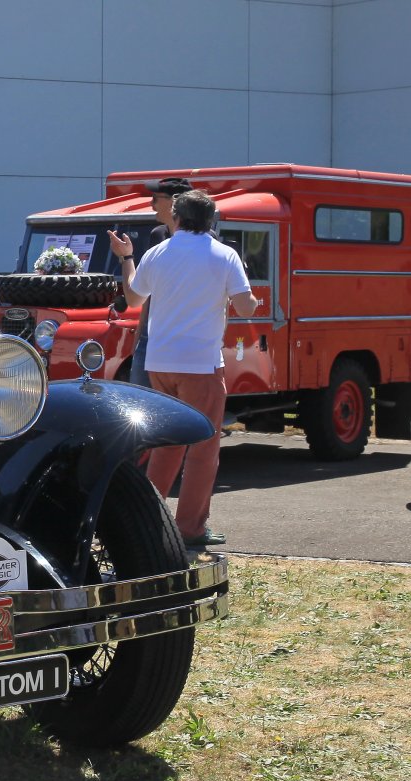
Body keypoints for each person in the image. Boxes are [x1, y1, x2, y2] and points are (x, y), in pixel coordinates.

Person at [109, 191, 259, 548]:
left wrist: (126, 257)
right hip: (201, 364)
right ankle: (190, 527)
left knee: (165, 445)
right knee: (203, 449)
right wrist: (251, 298)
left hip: (159, 361)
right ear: (211, 220)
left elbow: (134, 298)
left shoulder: (157, 253)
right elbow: (246, 307)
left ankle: (147, 520)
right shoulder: (224, 255)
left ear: (176, 218)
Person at [126, 177, 192, 387]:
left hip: (188, 339)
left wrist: (126, 258)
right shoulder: (158, 235)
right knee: (142, 396)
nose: (151, 204)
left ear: (174, 202)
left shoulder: (206, 239)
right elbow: (147, 294)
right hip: (152, 335)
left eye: (155, 198)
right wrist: (139, 335)